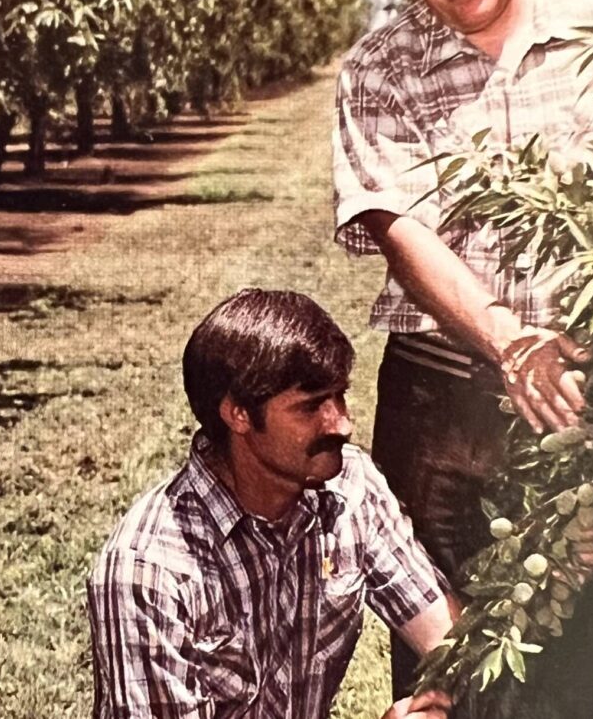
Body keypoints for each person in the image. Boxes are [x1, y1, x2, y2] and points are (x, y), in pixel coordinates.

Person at [332, 0, 593, 718]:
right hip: (443, 405)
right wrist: (510, 341)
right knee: (448, 676)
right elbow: (396, 223)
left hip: (587, 391)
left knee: (563, 668)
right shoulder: (381, 66)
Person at [86, 289, 454, 719]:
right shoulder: (147, 572)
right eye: (311, 406)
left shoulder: (352, 486)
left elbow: (448, 639)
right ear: (238, 414)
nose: (343, 424)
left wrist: (441, 696)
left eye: (340, 395)